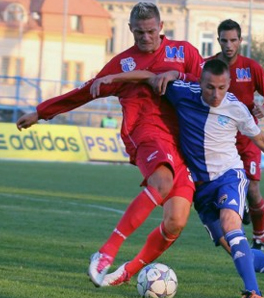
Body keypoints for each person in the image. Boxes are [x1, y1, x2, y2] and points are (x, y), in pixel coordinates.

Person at [16, 2, 203, 288]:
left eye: (151, 31)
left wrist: (178, 75)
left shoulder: (184, 52)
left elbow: (206, 83)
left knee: (176, 221)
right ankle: (106, 252)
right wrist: (41, 112)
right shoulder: (122, 63)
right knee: (162, 182)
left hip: (182, 142)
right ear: (130, 30)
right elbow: (85, 91)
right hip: (146, 132)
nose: (146, 37)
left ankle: (126, 272)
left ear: (161, 27)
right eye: (139, 32)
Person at [98, 60, 264, 297]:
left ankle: (253, 292)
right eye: (209, 87)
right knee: (241, 254)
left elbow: (260, 139)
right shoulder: (183, 92)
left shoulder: (236, 108)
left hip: (229, 176)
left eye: (221, 88)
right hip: (201, 188)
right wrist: (112, 78)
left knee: (231, 226)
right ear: (200, 82)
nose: (215, 94)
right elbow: (148, 76)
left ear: (228, 84)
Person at [206, 19, 264, 250]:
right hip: (218, 139)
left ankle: (259, 238)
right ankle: (226, 221)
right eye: (224, 40)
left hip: (246, 139)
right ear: (218, 40)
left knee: (254, 189)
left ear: (240, 41)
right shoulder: (207, 65)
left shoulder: (251, 67)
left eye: (233, 40)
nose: (229, 45)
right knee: (212, 187)